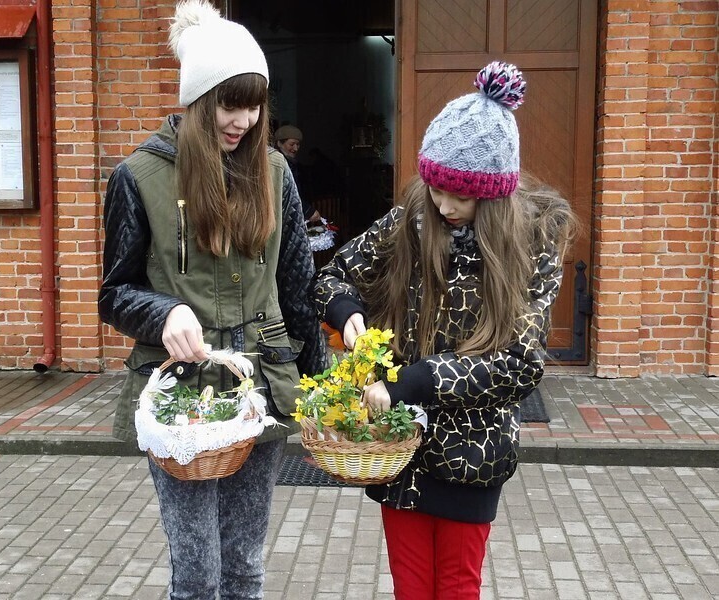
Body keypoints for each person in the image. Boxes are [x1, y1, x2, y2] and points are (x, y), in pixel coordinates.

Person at [311, 62, 577, 599]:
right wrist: (346, 310)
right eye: (436, 188)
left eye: (462, 195)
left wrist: (414, 381)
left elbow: (520, 364)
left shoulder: (532, 246)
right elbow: (333, 274)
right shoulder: (410, 221)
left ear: (495, 196)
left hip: (473, 451)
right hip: (399, 444)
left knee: (456, 587)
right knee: (410, 589)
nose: (444, 206)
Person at [98, 1, 326, 598]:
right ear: (197, 100)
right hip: (183, 398)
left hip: (262, 383)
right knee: (198, 574)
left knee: (245, 566)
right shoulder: (138, 177)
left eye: (255, 105)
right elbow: (114, 293)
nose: (244, 120)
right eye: (230, 104)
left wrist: (321, 389)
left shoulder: (274, 171)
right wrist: (163, 311)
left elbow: (297, 288)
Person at [274, 124, 321, 223]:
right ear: (279, 143)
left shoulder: (293, 164)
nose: (295, 148)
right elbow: (285, 193)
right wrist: (307, 211)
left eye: (298, 144)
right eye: (292, 144)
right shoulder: (277, 164)